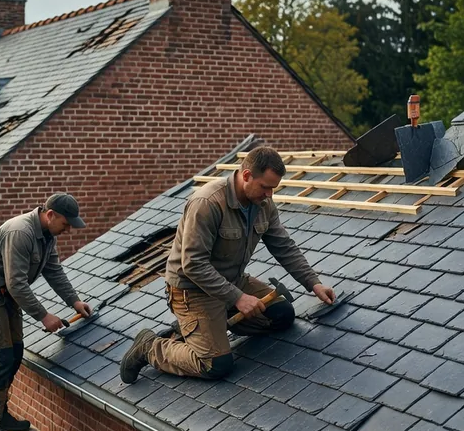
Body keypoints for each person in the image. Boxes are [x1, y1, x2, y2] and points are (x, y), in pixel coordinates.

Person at [119, 146, 334, 384]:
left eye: (273, 188)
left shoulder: (263, 204)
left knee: (282, 315)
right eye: (265, 187)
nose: (269, 194)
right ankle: (150, 346)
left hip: (231, 281)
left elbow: (283, 245)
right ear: (246, 176)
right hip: (192, 290)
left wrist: (313, 283)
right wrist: (238, 298)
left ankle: (205, 327)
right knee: (215, 364)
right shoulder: (207, 202)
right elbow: (193, 264)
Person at [0, 193, 93, 431]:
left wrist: (75, 302)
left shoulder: (47, 236)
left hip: (5, 294)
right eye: (66, 224)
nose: (67, 230)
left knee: (15, 352)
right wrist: (44, 316)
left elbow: (53, 270)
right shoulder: (20, 232)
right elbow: (16, 284)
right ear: (50, 214)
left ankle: (0, 414)